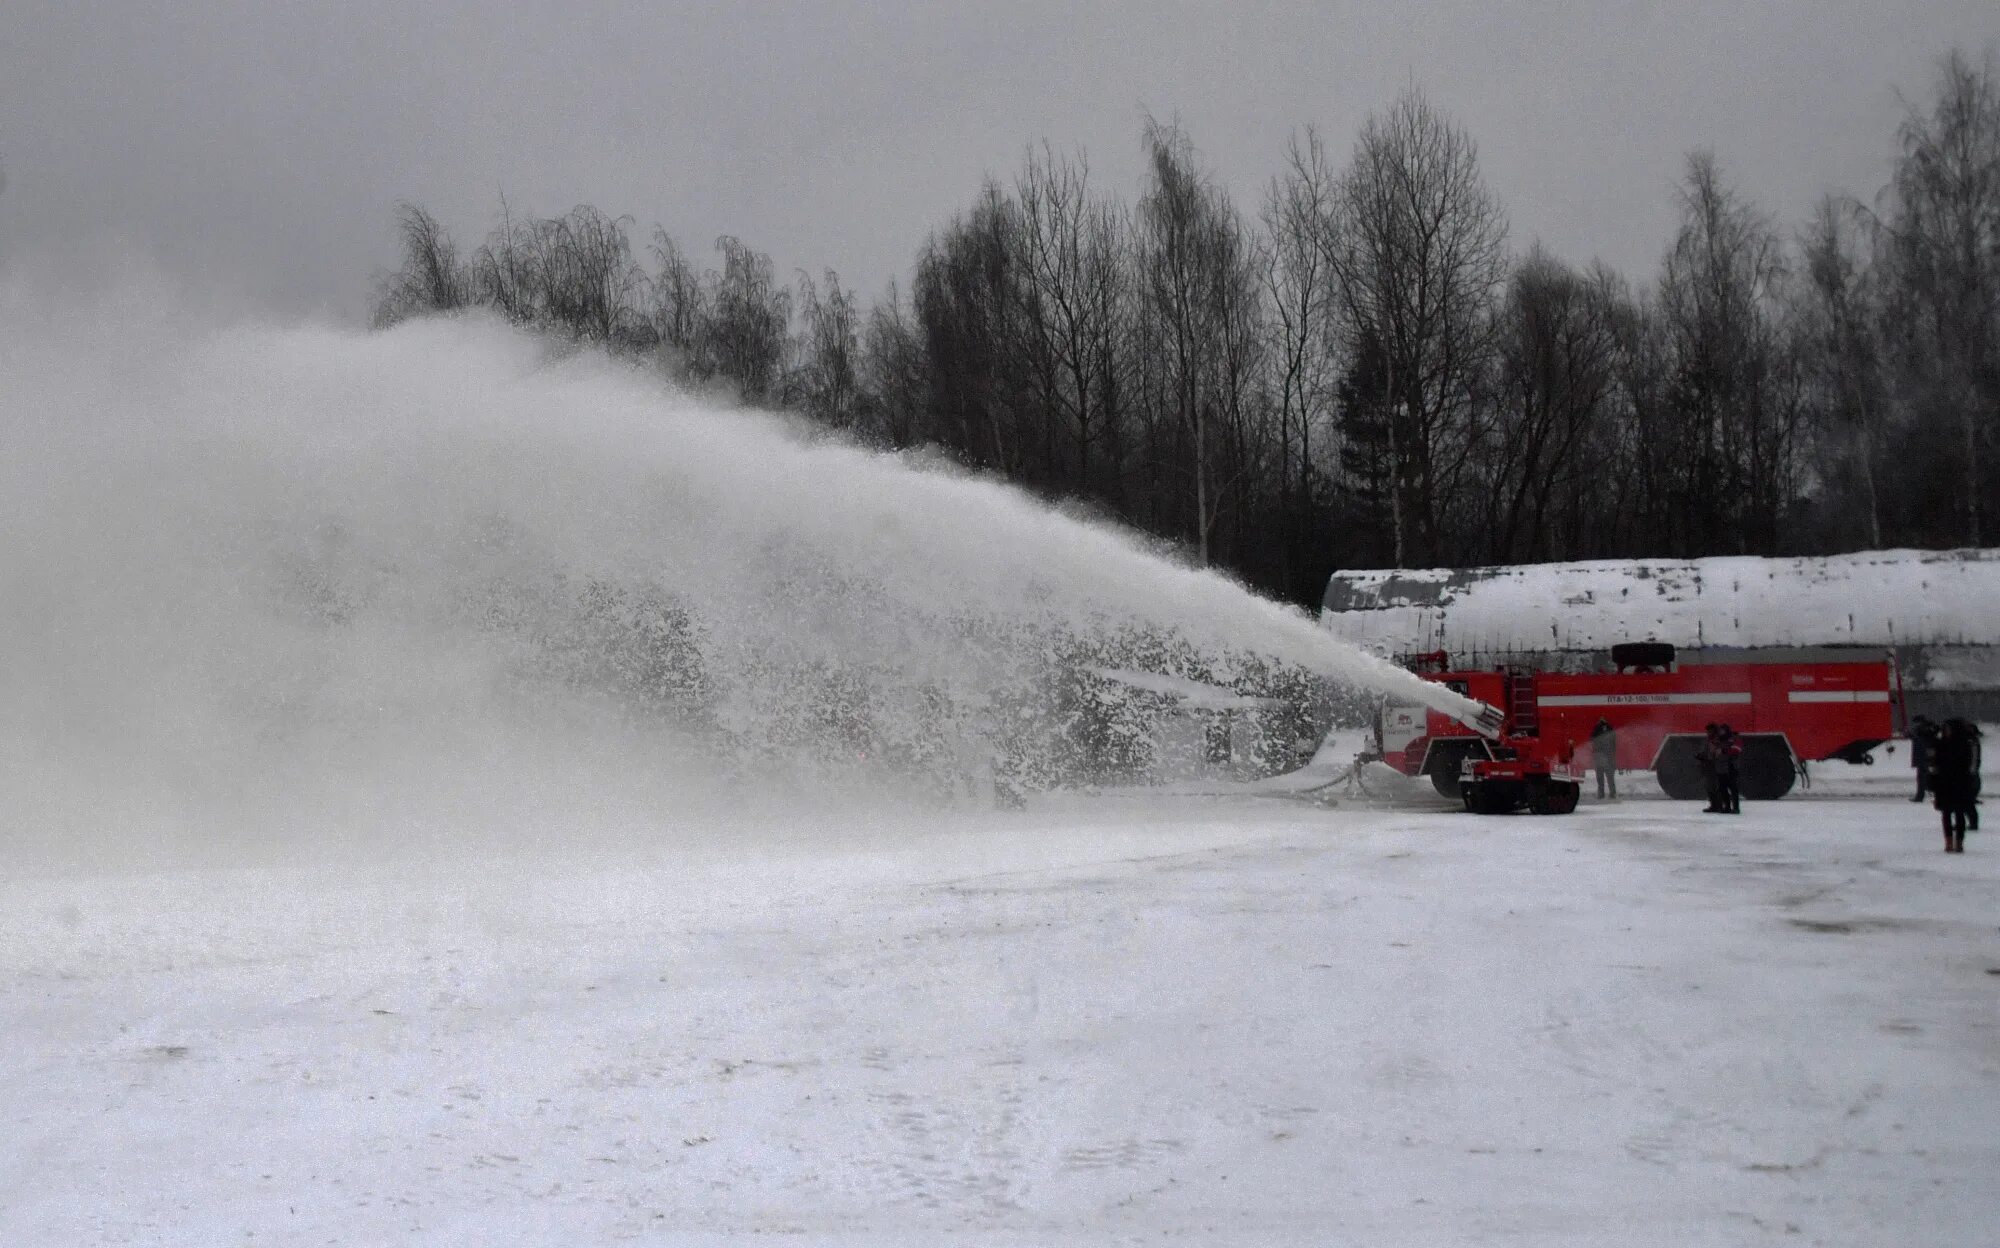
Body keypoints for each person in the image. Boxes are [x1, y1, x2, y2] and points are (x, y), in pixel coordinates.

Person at [1929, 718, 1980, 853]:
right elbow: (1934, 763)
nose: (1946, 731)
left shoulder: (1964, 744)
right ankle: (1949, 841)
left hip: (1960, 783)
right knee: (1946, 813)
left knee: (1959, 813)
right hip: (1944, 784)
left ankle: (1959, 842)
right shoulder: (1941, 744)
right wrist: (1933, 782)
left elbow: (1969, 764)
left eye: (1948, 728)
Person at [1715, 723, 1744, 814]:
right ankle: (1726, 807)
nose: (1720, 732)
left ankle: (1736, 808)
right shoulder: (1718, 740)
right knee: (1722, 788)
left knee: (1733, 788)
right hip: (1721, 768)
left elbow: (1737, 749)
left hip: (1731, 767)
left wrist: (1724, 751)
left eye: (1722, 730)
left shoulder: (1734, 738)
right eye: (1720, 731)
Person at [1910, 715, 1939, 803]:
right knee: (1925, 778)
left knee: (1925, 778)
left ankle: (1921, 796)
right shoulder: (1926, 730)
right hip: (1924, 757)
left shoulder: (1925, 731)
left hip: (1925, 757)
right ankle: (1921, 796)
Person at [1589, 716, 1618, 800]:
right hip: (1608, 755)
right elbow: (1613, 743)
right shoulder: (1610, 728)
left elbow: (1592, 739)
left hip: (1599, 756)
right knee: (1610, 777)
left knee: (1600, 776)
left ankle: (1601, 794)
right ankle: (1612, 793)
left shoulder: (1596, 728)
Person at [1698, 723, 1723, 813]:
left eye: (1709, 731)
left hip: (1715, 765)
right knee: (1709, 787)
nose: (1708, 732)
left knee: (1715, 786)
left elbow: (1718, 753)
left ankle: (1718, 805)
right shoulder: (1709, 740)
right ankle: (1714, 805)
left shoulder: (1717, 740)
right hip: (1708, 765)